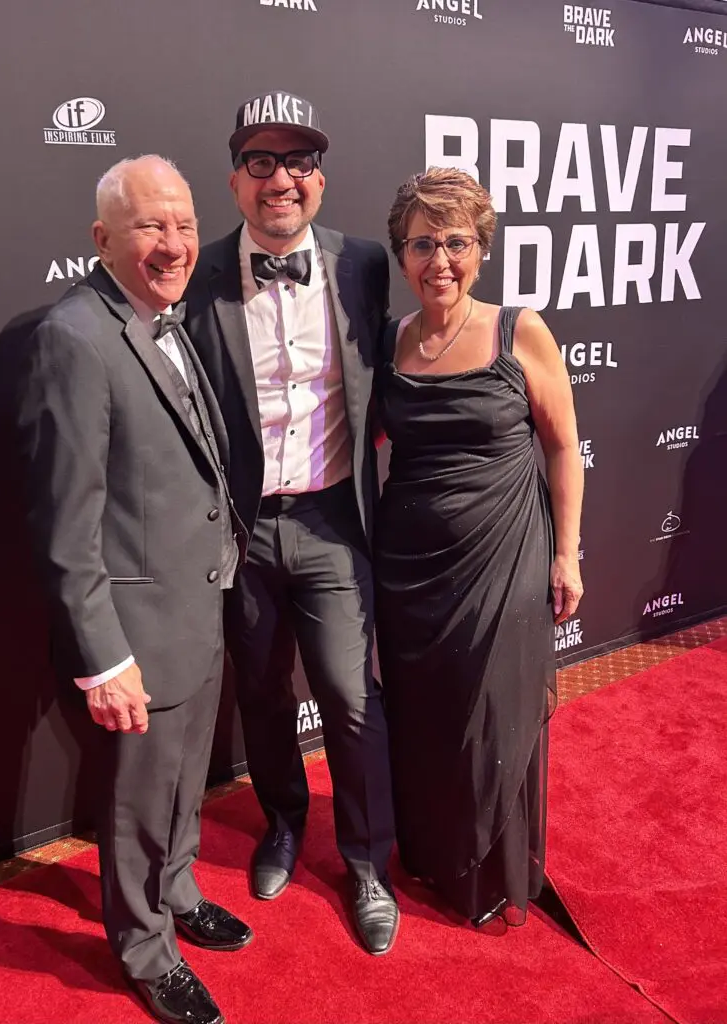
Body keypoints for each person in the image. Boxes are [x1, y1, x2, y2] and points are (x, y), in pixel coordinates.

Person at [16, 155, 251, 1024]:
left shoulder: (167, 319)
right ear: (103, 237)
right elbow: (64, 523)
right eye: (152, 225)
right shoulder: (74, 339)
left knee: (185, 785)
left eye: (185, 225)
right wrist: (104, 657)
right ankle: (145, 948)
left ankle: (180, 891)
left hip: (198, 606)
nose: (174, 243)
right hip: (137, 632)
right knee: (138, 802)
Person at [184, 91, 398, 955]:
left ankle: (368, 863)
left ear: (321, 177)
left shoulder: (366, 265)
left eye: (299, 162)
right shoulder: (194, 274)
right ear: (235, 180)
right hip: (239, 531)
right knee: (265, 697)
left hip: (333, 520)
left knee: (349, 699)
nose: (283, 179)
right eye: (262, 162)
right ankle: (281, 826)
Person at [374, 167, 584, 929]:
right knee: (425, 716)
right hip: (408, 568)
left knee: (491, 715)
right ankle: (430, 854)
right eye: (423, 244)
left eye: (456, 242)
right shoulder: (389, 341)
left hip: (502, 554)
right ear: (401, 254)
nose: (441, 262)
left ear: (481, 248)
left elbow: (562, 447)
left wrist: (568, 554)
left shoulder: (517, 330)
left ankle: (491, 870)